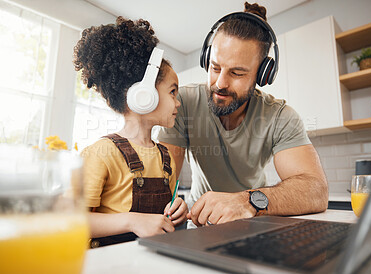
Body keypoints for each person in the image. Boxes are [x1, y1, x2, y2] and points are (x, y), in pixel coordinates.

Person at [158, 2, 328, 227]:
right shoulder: (183, 104)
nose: (220, 83)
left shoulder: (280, 117)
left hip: (254, 219)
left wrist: (247, 202)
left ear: (262, 75)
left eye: (237, 73)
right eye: (215, 67)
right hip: (199, 224)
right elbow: (162, 184)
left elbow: (316, 190)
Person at [73, 17, 187, 246]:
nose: (178, 103)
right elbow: (73, 222)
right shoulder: (101, 153)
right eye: (172, 92)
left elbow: (164, 218)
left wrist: (178, 210)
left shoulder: (166, 157)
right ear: (144, 95)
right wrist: (132, 221)